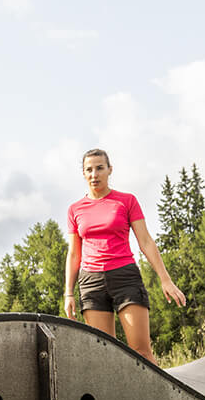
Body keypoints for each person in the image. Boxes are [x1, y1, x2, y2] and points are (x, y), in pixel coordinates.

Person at [64, 149, 186, 364]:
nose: (95, 174)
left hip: (124, 277)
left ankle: (153, 397)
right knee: (104, 357)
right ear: (83, 174)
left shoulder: (126, 201)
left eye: (100, 168)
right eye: (89, 170)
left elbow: (146, 241)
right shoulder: (75, 209)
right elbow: (74, 253)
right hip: (91, 281)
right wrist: (69, 293)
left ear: (109, 170)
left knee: (142, 354)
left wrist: (165, 279)